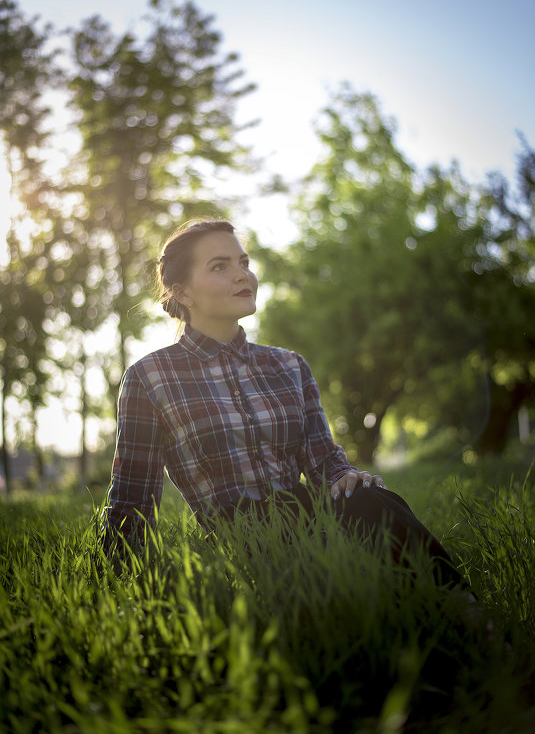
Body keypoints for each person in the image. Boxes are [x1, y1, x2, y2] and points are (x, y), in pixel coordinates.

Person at [103, 218, 462, 586]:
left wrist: (346, 477)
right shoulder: (150, 378)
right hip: (246, 535)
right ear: (182, 293)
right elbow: (133, 502)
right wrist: (118, 587)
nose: (242, 275)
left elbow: (324, 462)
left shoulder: (289, 365)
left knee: (373, 500)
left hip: (309, 513)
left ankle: (462, 609)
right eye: (220, 266)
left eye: (243, 263)